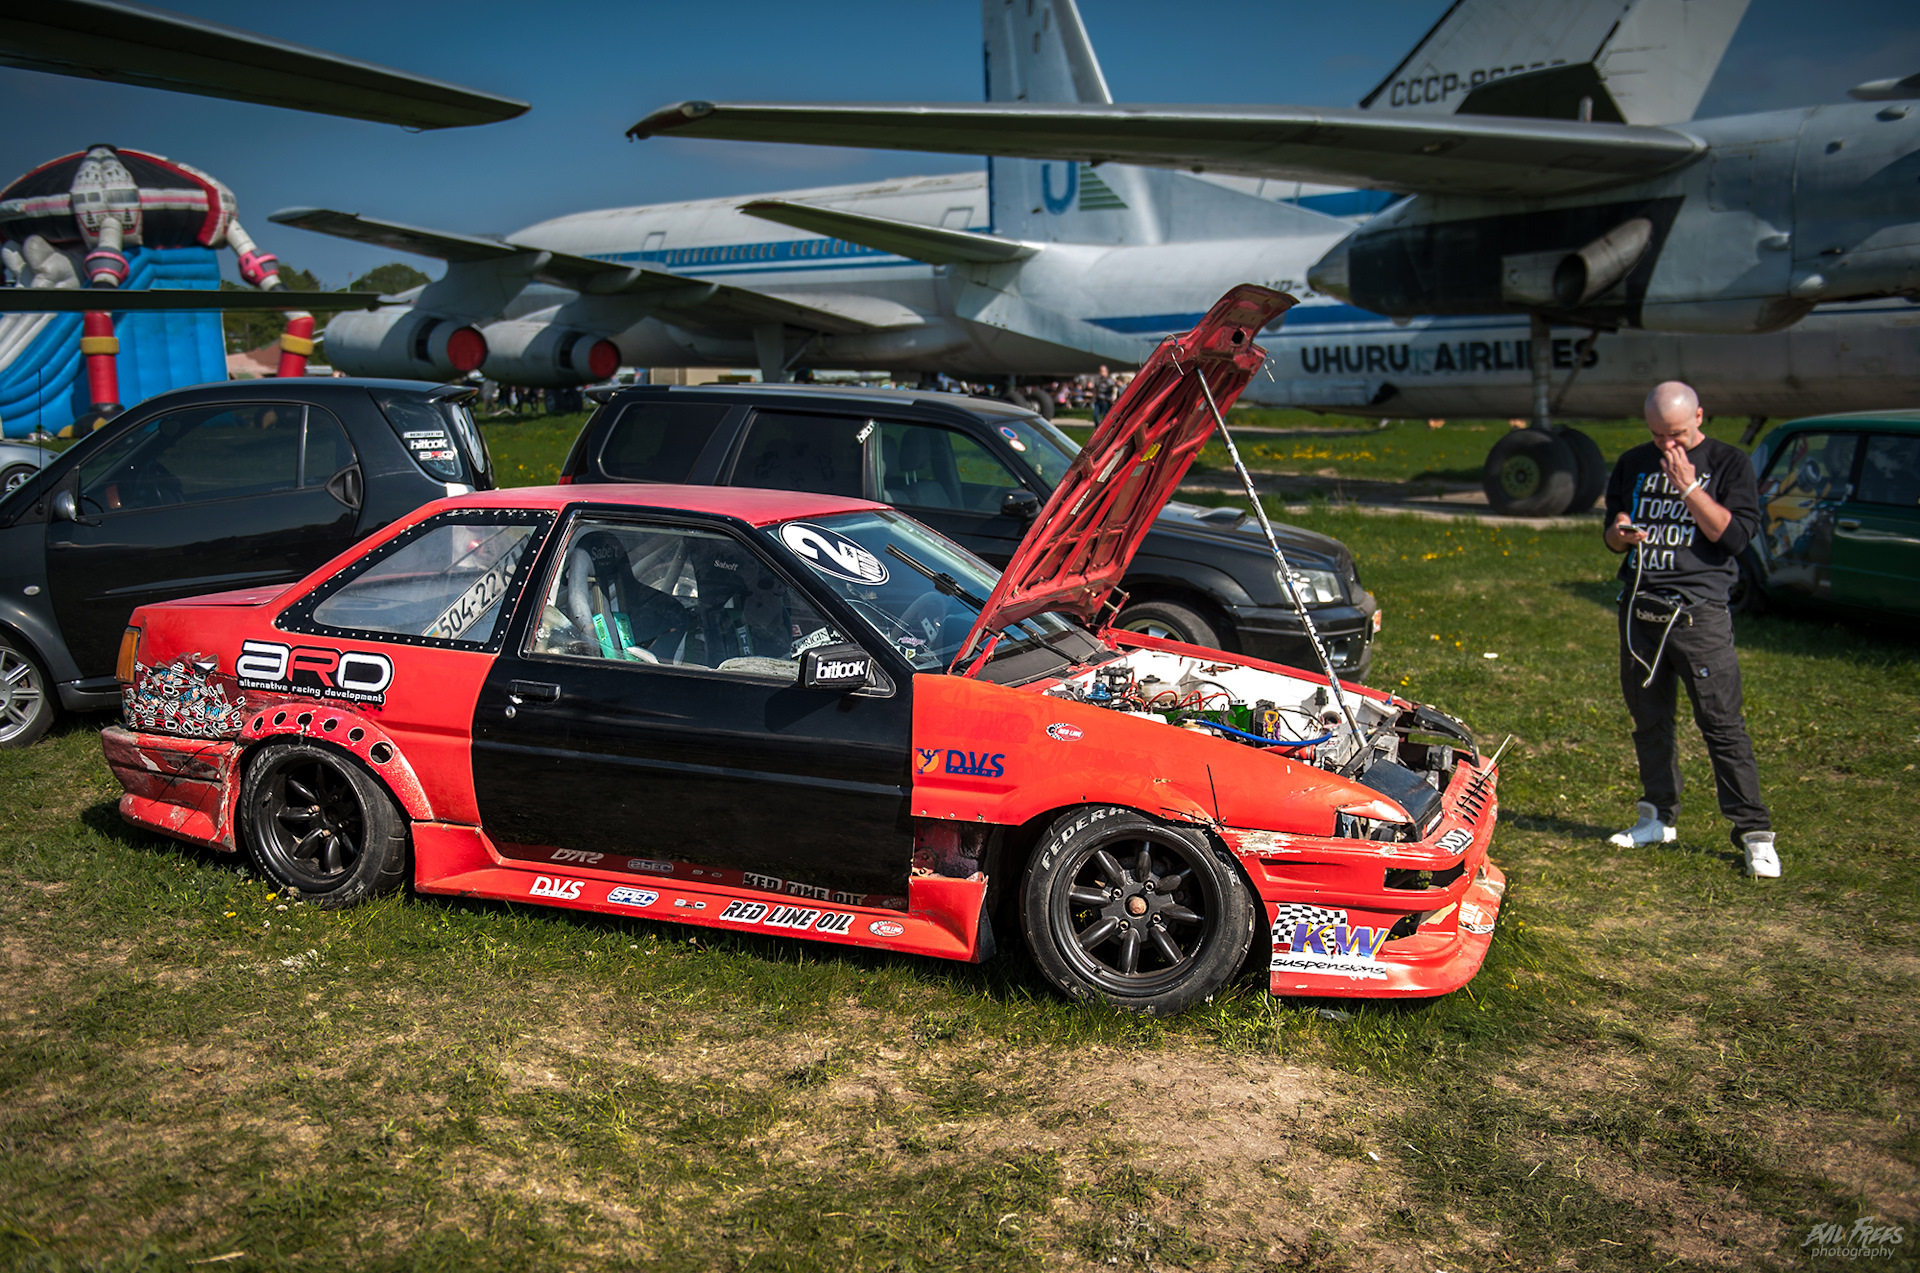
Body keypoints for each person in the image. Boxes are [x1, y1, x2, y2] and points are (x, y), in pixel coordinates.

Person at [1602, 381, 1778, 877]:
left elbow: (1735, 536)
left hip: (1698, 613)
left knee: (1722, 725)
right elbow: (1613, 531)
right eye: (1658, 435)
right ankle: (1656, 815)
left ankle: (1754, 833)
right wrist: (1618, 534)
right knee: (1649, 720)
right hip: (1641, 608)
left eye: (1676, 433)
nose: (1667, 446)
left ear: (1700, 416)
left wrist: (1689, 487)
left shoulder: (1729, 463)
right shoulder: (1635, 461)